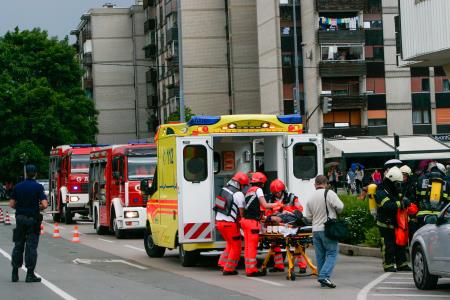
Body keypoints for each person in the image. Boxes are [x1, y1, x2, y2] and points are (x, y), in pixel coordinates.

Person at [9, 165, 48, 282]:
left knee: (18, 245)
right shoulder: (38, 187)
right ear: (35, 173)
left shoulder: (18, 186)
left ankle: (15, 272)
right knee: (31, 247)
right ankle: (30, 274)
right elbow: (45, 204)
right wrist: (38, 206)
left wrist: (20, 206)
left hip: (20, 219)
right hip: (33, 220)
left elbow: (11, 204)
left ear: (26, 173)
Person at [305, 175, 344, 288]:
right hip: (327, 229)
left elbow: (308, 216)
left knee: (320, 256)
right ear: (326, 184)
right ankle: (324, 276)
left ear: (315, 185)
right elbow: (340, 207)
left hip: (315, 230)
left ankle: (322, 278)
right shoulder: (329, 193)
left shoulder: (311, 197)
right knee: (332, 253)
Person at [265, 179, 308, 274]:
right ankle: (278, 265)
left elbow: (300, 210)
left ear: (283, 190)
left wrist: (286, 209)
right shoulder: (270, 199)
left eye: (278, 192)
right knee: (275, 244)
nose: (277, 194)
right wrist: (273, 214)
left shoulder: (292, 198)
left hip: (291, 223)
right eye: (275, 193)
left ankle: (302, 266)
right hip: (278, 225)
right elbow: (267, 212)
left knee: (297, 244)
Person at [241, 172, 277, 277]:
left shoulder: (249, 191)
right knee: (252, 247)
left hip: (245, 221)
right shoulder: (258, 190)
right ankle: (252, 270)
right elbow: (265, 205)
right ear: (261, 182)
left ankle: (248, 269)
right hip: (252, 222)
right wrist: (277, 204)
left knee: (247, 246)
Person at [375, 166, 411, 272]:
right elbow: (387, 205)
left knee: (400, 244)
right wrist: (401, 203)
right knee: (388, 245)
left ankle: (402, 264)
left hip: (396, 223)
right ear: (391, 181)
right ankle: (388, 264)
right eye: (397, 183)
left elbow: (399, 200)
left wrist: (405, 201)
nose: (398, 186)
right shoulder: (381, 190)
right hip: (385, 224)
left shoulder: (393, 190)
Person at [214, 172, 249, 275]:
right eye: (244, 185)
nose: (244, 188)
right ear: (239, 184)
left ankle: (222, 263)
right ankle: (229, 269)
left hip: (219, 223)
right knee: (236, 247)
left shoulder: (224, 190)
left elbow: (219, 207)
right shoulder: (239, 194)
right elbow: (242, 213)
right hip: (229, 224)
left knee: (230, 244)